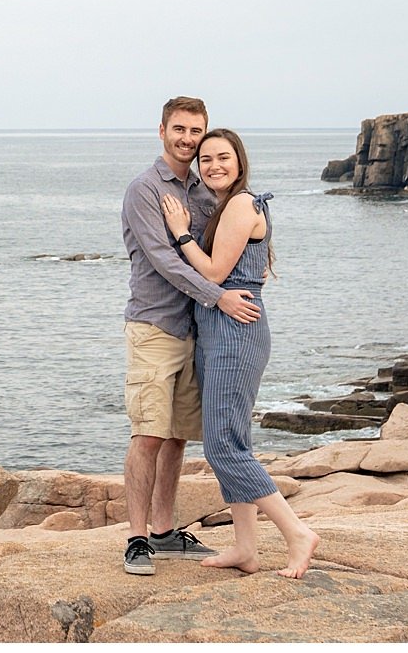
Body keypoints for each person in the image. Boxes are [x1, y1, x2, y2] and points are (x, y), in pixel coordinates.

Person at [160, 129, 320, 578]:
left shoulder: (240, 204)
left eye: (222, 157)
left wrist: (179, 233)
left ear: (240, 160)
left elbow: (213, 270)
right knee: (234, 440)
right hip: (219, 327)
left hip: (236, 329)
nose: (212, 165)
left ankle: (296, 533)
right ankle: (246, 548)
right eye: (205, 159)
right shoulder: (228, 205)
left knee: (223, 446)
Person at [120, 97, 263, 576]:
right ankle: (137, 539)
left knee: (179, 436)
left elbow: (223, 252)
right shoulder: (144, 190)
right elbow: (166, 260)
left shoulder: (205, 194)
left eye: (195, 131)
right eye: (178, 129)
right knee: (149, 434)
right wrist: (220, 297)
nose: (187, 139)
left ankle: (164, 531)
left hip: (198, 331)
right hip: (155, 326)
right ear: (161, 130)